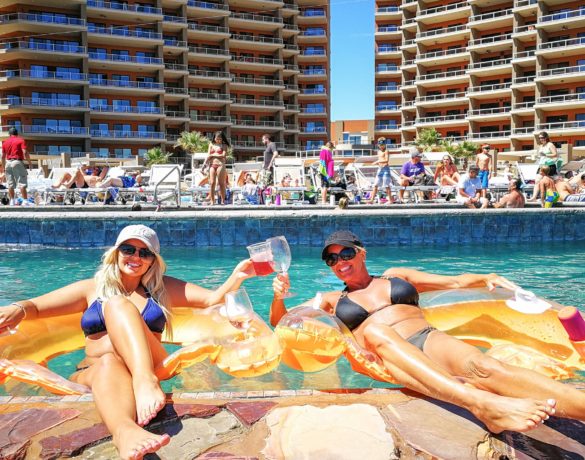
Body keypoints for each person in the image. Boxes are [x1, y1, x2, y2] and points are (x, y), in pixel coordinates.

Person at [269, 230, 585, 434]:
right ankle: (481, 404)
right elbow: (285, 323)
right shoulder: (330, 300)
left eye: (346, 254)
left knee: (485, 367)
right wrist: (278, 297)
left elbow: (453, 282)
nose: (339, 262)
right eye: (331, 259)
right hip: (383, 356)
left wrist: (485, 277)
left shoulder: (395, 277)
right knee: (378, 332)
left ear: (361, 252)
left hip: (428, 338)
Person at [0, 225, 256, 459]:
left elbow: (212, 299)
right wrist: (17, 308)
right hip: (95, 369)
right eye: (128, 249)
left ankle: (144, 381)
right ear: (116, 252)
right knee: (108, 360)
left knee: (116, 304)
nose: (136, 257)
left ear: (153, 260)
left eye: (145, 253)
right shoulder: (92, 288)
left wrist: (238, 276)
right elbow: (35, 307)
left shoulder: (162, 289)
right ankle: (125, 432)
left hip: (151, 367)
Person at [1, 127, 32, 206]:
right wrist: (29, 163)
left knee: (10, 184)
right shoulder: (20, 140)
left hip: (8, 163)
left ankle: (12, 201)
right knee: (22, 182)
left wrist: (4, 167)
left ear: (9, 134)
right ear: (17, 134)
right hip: (17, 162)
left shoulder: (5, 142)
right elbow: (25, 152)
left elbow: (3, 157)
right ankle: (25, 201)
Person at [206, 131, 229, 205]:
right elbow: (208, 155)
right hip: (212, 165)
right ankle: (212, 201)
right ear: (214, 138)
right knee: (212, 183)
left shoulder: (224, 145)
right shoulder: (211, 144)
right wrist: (205, 164)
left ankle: (222, 201)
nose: (218, 140)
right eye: (217, 138)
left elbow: (223, 155)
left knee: (221, 183)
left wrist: (213, 155)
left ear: (222, 139)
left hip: (220, 165)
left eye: (220, 139)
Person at [370, 138, 393, 205]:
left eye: (382, 145)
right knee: (375, 184)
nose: (381, 146)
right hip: (380, 169)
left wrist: (377, 161)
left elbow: (386, 160)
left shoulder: (386, 151)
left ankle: (390, 200)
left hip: (385, 169)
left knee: (386, 185)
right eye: (380, 145)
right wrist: (378, 162)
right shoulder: (378, 151)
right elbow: (381, 159)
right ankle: (371, 200)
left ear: (385, 144)